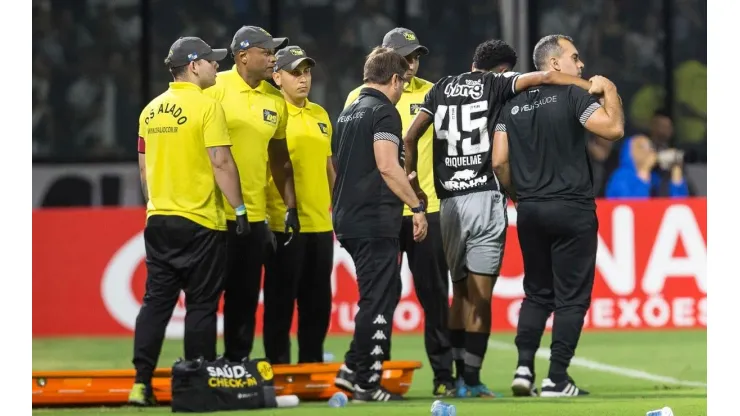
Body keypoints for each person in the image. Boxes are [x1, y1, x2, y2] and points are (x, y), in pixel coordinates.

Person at [403, 39, 593, 398]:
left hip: (448, 203)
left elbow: (410, 137)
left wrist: (413, 183)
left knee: (458, 294)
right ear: (504, 68)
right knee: (480, 296)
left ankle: (455, 377)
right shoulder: (497, 83)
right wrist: (592, 86)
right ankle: (472, 380)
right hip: (485, 197)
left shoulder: (440, 87)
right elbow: (548, 78)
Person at [491, 34, 624, 397]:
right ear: (554, 64)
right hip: (572, 208)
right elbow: (612, 129)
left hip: (530, 210)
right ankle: (557, 378)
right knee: (572, 299)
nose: (581, 65)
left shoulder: (510, 105)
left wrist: (519, 195)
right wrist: (609, 89)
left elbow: (499, 161)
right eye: (575, 58)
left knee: (536, 293)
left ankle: (522, 371)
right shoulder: (573, 95)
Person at [128, 37, 249, 406]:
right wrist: (239, 209)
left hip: (160, 220)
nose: (217, 67)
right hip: (201, 222)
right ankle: (196, 382)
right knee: (201, 304)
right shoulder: (208, 107)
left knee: (156, 304)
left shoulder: (149, 111)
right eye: (212, 62)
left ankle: (140, 383)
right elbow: (221, 162)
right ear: (194, 66)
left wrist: (157, 203)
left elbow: (144, 171)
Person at [343, 27, 457, 397]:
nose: (413, 64)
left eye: (417, 56)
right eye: (406, 57)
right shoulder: (368, 99)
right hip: (391, 210)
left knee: (434, 295)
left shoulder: (434, 92)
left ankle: (443, 375)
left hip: (429, 209)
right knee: (383, 295)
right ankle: (374, 370)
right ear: (388, 60)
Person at [332, 47, 428, 402]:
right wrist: (416, 204)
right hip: (374, 220)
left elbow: (341, 166)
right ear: (393, 80)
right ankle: (367, 382)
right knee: (377, 299)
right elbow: (388, 165)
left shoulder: (347, 113)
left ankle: (350, 369)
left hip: (348, 216)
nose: (403, 88)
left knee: (380, 294)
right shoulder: (384, 112)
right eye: (402, 81)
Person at [203, 26, 300, 362]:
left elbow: (280, 159)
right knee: (206, 297)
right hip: (213, 212)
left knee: (244, 298)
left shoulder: (276, 100)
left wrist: (290, 206)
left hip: (254, 216)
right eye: (267, 51)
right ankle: (200, 366)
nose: (274, 58)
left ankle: (235, 364)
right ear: (243, 56)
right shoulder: (213, 88)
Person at [263, 45, 336, 364]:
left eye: (306, 72)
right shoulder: (270, 112)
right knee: (280, 303)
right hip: (284, 223)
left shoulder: (320, 114)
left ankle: (311, 366)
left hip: (321, 223)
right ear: (277, 76)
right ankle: (278, 370)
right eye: (295, 73)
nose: (303, 79)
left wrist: (341, 208)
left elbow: (329, 167)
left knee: (318, 303)